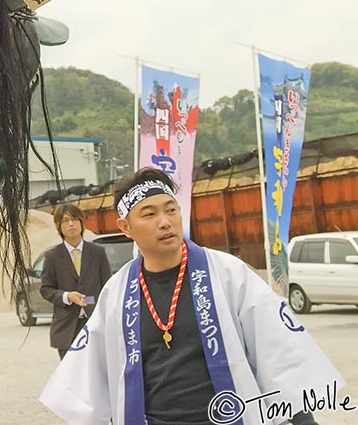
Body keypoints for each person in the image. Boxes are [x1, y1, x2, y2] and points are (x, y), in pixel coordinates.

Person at [40, 167, 343, 425]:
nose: (165, 221)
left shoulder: (227, 273)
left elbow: (280, 352)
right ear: (126, 227)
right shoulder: (117, 293)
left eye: (171, 210)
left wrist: (303, 420)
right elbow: (90, 379)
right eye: (150, 213)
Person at [40, 204, 112, 359]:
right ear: (59, 227)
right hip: (66, 327)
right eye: (65, 220)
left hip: (95, 323)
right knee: (71, 379)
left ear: (81, 223)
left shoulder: (97, 252)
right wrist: (67, 296)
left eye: (74, 219)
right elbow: (45, 289)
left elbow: (107, 286)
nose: (71, 224)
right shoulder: (52, 256)